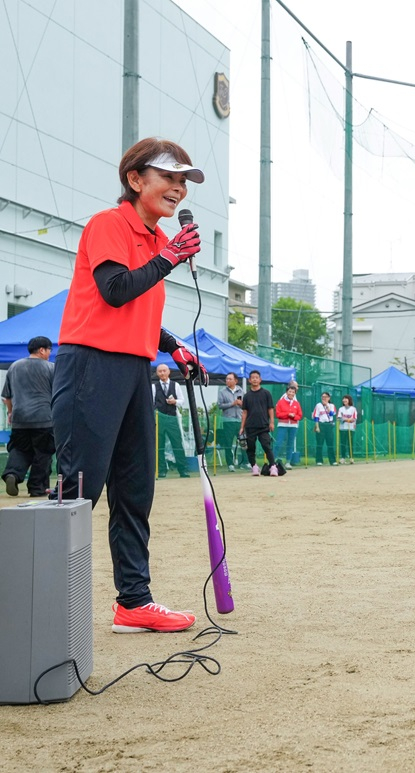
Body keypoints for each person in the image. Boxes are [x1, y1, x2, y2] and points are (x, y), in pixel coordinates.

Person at [51, 137, 207, 633]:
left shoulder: (157, 241)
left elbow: (137, 309)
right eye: (168, 178)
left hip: (135, 369)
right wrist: (171, 257)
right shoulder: (109, 224)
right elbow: (115, 291)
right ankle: (40, 603)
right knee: (79, 488)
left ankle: (134, 602)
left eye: (183, 181)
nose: (178, 189)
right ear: (135, 179)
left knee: (135, 488)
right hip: (91, 364)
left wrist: (173, 345)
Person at [2, 335, 55, 497]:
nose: (50, 353)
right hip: (44, 418)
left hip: (20, 419)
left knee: (19, 449)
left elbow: (7, 397)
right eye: (49, 350)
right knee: (43, 453)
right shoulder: (51, 368)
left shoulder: (14, 367)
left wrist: (10, 412)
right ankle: (37, 487)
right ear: (41, 350)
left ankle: (12, 473)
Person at [152, 363, 189, 478]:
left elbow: (182, 400)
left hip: (173, 418)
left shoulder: (175, 385)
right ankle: (161, 470)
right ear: (157, 373)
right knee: (159, 445)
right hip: (159, 419)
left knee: (177, 444)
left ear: (169, 372)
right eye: (160, 371)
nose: (162, 373)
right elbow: (151, 403)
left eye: (164, 371)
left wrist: (175, 402)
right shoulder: (154, 387)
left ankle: (183, 470)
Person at [240, 369, 277, 475]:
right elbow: (245, 412)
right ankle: (254, 467)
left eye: (257, 377)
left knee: (266, 446)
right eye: (253, 378)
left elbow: (270, 409)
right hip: (250, 426)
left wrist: (272, 422)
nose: (255, 379)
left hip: (263, 425)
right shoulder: (247, 396)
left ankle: (273, 466)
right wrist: (242, 427)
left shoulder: (266, 393)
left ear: (260, 379)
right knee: (251, 448)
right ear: (249, 380)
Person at [216, 371, 244, 471]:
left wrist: (241, 404)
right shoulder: (222, 392)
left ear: (235, 381)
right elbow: (220, 405)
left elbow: (245, 405)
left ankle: (245, 462)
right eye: (227, 379)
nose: (227, 380)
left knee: (243, 442)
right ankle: (230, 464)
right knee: (228, 443)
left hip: (240, 420)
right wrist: (232, 404)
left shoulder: (241, 391)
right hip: (228, 421)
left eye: (230, 379)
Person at [274, 384, 303, 469]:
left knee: (290, 444)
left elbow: (299, 415)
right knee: (278, 443)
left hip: (293, 426)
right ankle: (272, 461)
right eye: (289, 391)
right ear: (286, 392)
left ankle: (288, 462)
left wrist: (294, 416)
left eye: (293, 392)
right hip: (282, 425)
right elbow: (278, 414)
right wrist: (288, 414)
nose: (291, 393)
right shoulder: (281, 402)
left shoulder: (296, 403)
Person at [312, 391, 337, 466]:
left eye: (326, 397)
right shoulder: (318, 405)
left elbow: (332, 414)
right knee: (320, 443)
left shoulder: (332, 405)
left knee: (330, 443)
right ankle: (319, 460)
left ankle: (332, 460)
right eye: (323, 397)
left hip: (329, 425)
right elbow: (316, 417)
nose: (324, 398)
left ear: (329, 398)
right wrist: (317, 427)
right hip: (321, 424)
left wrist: (327, 405)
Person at [337, 394, 358, 464]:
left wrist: (345, 419)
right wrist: (347, 419)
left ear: (349, 400)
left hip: (351, 428)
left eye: (346, 399)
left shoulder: (353, 409)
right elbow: (339, 418)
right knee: (343, 443)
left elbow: (353, 419)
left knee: (350, 443)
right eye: (343, 399)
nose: (344, 400)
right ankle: (343, 458)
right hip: (342, 428)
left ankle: (351, 458)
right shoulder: (341, 409)